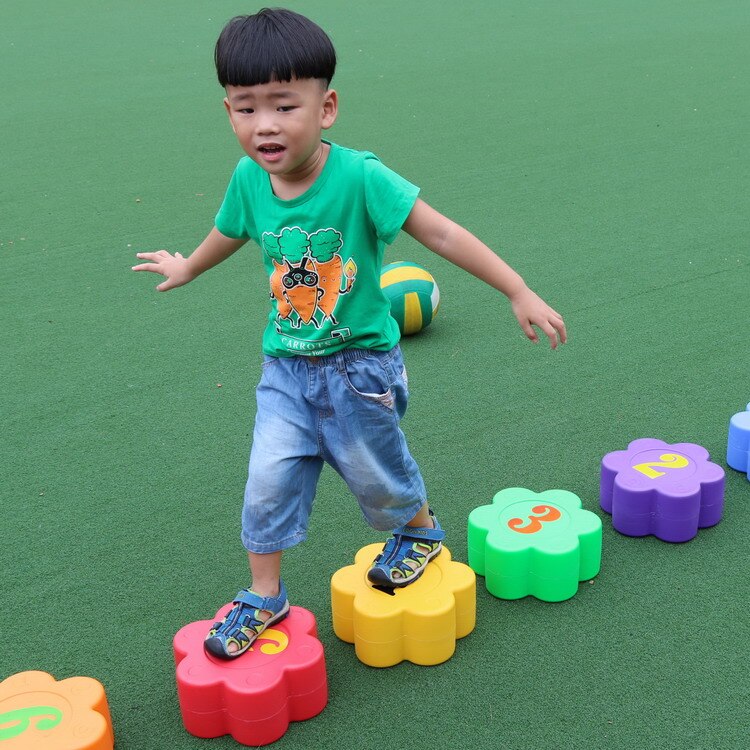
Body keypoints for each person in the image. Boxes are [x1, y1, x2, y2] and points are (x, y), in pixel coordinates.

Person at [132, 8, 566, 659]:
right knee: (267, 479)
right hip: (285, 369)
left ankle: (418, 533)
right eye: (246, 109)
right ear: (228, 112)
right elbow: (230, 229)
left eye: (284, 105)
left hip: (360, 371)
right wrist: (188, 265)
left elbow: (440, 231)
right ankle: (264, 593)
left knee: (377, 477)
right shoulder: (250, 179)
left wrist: (517, 288)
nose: (265, 125)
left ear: (326, 106)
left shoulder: (361, 177)